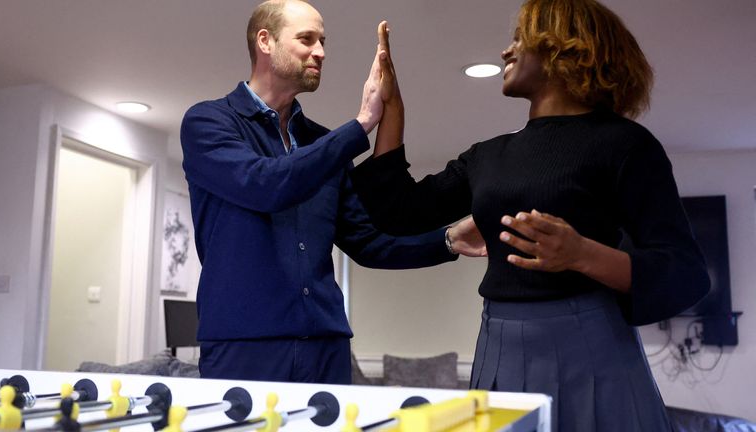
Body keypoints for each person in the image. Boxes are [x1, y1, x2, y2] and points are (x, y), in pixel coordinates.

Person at [350, 0, 710, 430]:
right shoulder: (489, 155)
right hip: (498, 342)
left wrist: (582, 254)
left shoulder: (625, 145)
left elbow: (686, 273)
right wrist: (391, 107)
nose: (507, 50)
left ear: (563, 48)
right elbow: (398, 214)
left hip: (590, 344)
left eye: (520, 38)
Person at [180, 0, 480, 384]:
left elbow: (367, 243)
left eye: (323, 41)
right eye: (306, 39)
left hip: (327, 347)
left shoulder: (322, 144)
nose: (320, 52)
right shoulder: (208, 122)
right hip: (244, 346)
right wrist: (362, 124)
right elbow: (265, 184)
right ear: (265, 41)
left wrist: (449, 241)